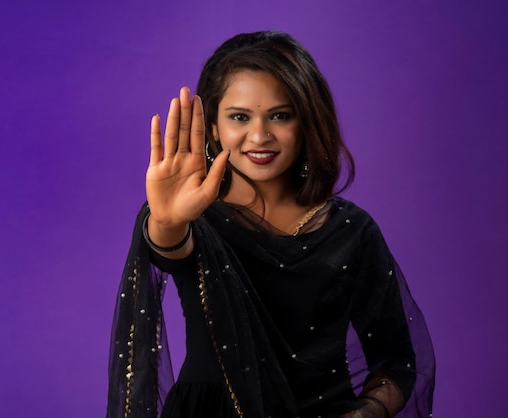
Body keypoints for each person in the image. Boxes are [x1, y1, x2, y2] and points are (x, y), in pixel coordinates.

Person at [107, 31, 435, 418]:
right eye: (239, 117)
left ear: (306, 121)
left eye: (280, 115)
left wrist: (363, 415)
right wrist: (166, 219)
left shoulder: (352, 230)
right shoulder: (193, 218)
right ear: (213, 126)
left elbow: (396, 363)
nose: (259, 136)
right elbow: (170, 247)